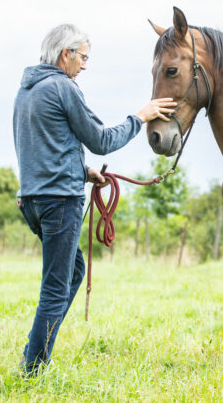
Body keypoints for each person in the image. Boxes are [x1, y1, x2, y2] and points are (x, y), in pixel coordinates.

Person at [13, 24, 175, 375]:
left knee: (72, 272)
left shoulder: (27, 90)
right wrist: (139, 117)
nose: (85, 65)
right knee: (56, 287)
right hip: (59, 202)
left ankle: (34, 350)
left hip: (32, 201)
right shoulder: (63, 87)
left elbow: (43, 147)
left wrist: (84, 172)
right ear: (65, 54)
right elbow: (101, 140)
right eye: (83, 57)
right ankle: (32, 368)